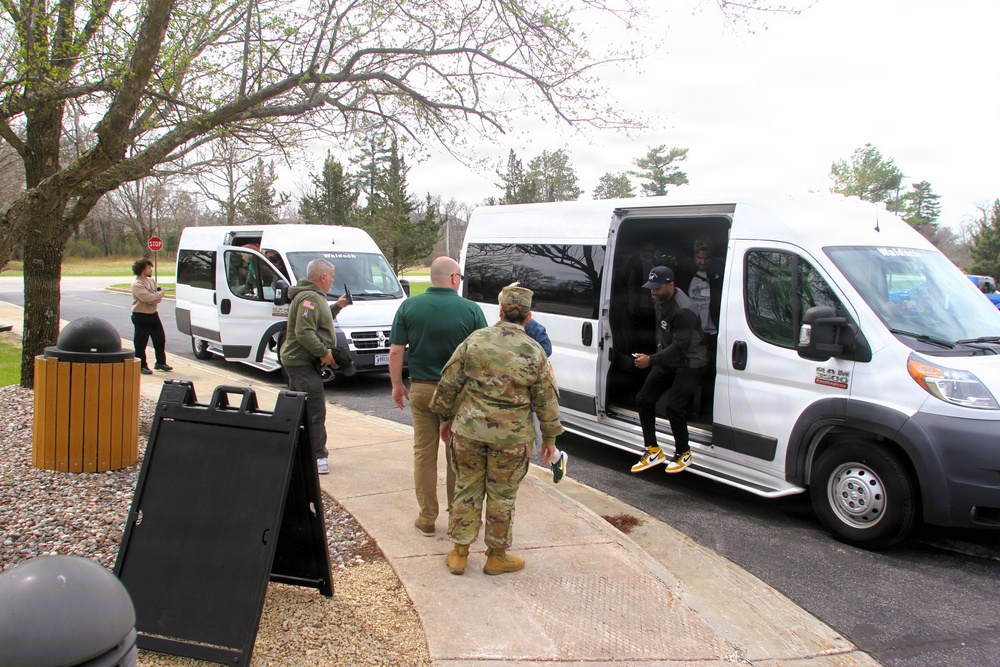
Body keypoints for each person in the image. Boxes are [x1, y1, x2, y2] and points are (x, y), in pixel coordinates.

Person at [430, 284, 563, 576]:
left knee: (467, 487)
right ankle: (497, 557)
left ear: (500, 312)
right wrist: (550, 438)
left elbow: (449, 384)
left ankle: (459, 554)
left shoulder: (475, 341)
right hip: (512, 439)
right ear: (528, 317)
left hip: (469, 431)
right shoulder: (534, 351)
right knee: (503, 495)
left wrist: (445, 418)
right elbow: (547, 400)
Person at [389, 257, 488, 538]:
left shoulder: (409, 306)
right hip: (459, 393)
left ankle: (427, 517)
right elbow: (482, 354)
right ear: (454, 278)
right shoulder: (470, 309)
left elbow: (396, 351)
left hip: (421, 390)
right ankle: (457, 516)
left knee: (424, 454)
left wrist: (397, 385)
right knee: (456, 456)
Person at [630, 266, 707, 474]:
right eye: (651, 289)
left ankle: (684, 453)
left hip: (690, 361)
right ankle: (653, 450)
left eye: (658, 288)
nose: (653, 293)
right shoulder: (660, 299)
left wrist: (651, 360)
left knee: (674, 406)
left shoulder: (684, 309)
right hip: (669, 358)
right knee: (644, 399)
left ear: (671, 285)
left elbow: (680, 347)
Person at [279, 259, 352, 475]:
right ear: (323, 277)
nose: (332, 280)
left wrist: (337, 306)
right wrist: (325, 353)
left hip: (299, 362)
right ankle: (318, 456)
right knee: (314, 411)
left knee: (299, 408)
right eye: (331, 276)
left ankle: (294, 451)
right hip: (302, 363)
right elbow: (304, 331)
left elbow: (319, 318)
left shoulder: (313, 296)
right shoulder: (309, 298)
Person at [681, 238, 723, 416]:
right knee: (689, 374)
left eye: (706, 258)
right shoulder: (686, 275)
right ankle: (686, 411)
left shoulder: (719, 275)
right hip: (692, 333)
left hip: (712, 333)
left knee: (711, 375)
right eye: (699, 258)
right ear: (694, 257)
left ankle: (706, 413)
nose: (703, 262)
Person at [130, 258, 172, 375]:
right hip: (141, 316)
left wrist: (156, 297)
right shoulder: (137, 284)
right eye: (148, 267)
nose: (150, 269)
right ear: (143, 269)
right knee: (141, 342)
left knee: (160, 339)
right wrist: (157, 296)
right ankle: (141, 365)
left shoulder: (151, 280)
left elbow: (155, 294)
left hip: (153, 314)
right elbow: (148, 298)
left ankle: (160, 362)